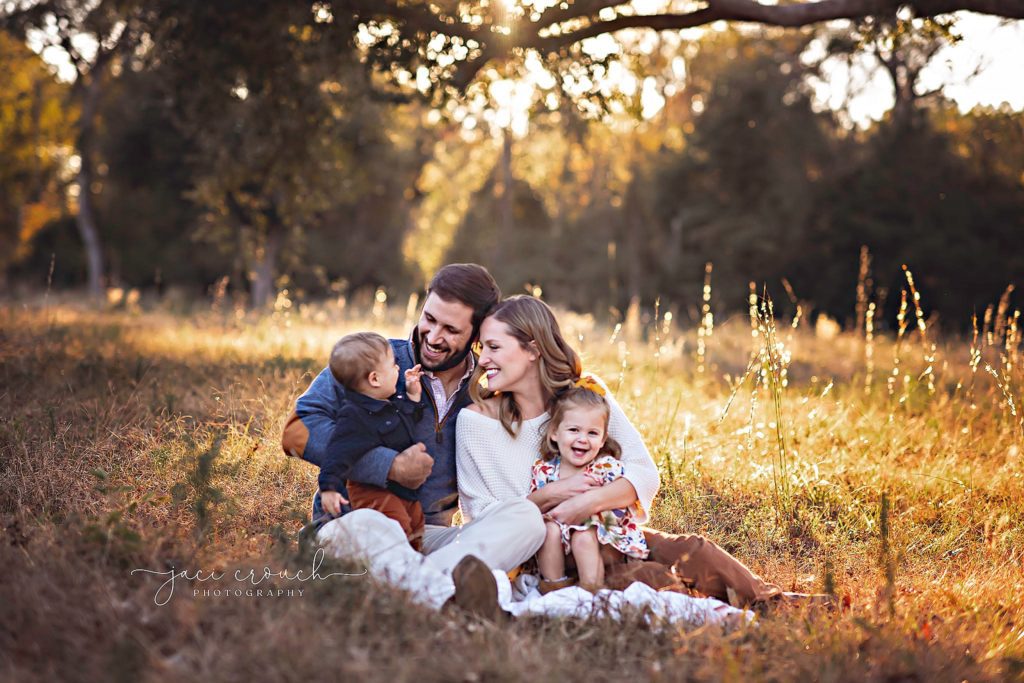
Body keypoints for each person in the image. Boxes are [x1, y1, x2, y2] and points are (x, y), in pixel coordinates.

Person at [457, 295, 787, 607]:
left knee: (693, 549)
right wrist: (554, 496)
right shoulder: (476, 422)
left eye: (494, 347)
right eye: (482, 348)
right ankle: (753, 610)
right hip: (551, 558)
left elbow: (643, 473)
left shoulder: (585, 395)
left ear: (533, 349)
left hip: (609, 532)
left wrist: (584, 503)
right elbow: (482, 518)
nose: (482, 360)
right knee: (652, 578)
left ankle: (778, 604)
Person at [282, 264, 542, 616]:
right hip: (355, 523)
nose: (433, 337)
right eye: (429, 319)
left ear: (477, 335)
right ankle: (448, 598)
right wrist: (388, 466)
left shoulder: (488, 386)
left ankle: (423, 588)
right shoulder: (373, 360)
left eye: (451, 329)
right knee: (372, 527)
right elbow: (297, 429)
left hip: (429, 537)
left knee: (526, 519)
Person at [531, 380, 650, 594]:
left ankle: (591, 592)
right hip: (560, 544)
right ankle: (554, 588)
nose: (583, 439)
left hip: (603, 542)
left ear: (603, 439)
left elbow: (622, 509)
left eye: (592, 433)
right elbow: (535, 508)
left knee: (583, 535)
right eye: (574, 430)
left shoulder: (606, 468)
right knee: (548, 530)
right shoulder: (544, 471)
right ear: (555, 433)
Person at [317, 332, 426, 549]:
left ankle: (413, 565)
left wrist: (413, 395)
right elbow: (336, 453)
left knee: (416, 527)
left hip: (401, 490)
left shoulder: (388, 403)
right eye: (393, 365)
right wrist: (329, 488)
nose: (398, 368)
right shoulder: (354, 416)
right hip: (373, 490)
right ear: (375, 379)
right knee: (395, 531)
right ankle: (393, 571)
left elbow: (406, 421)